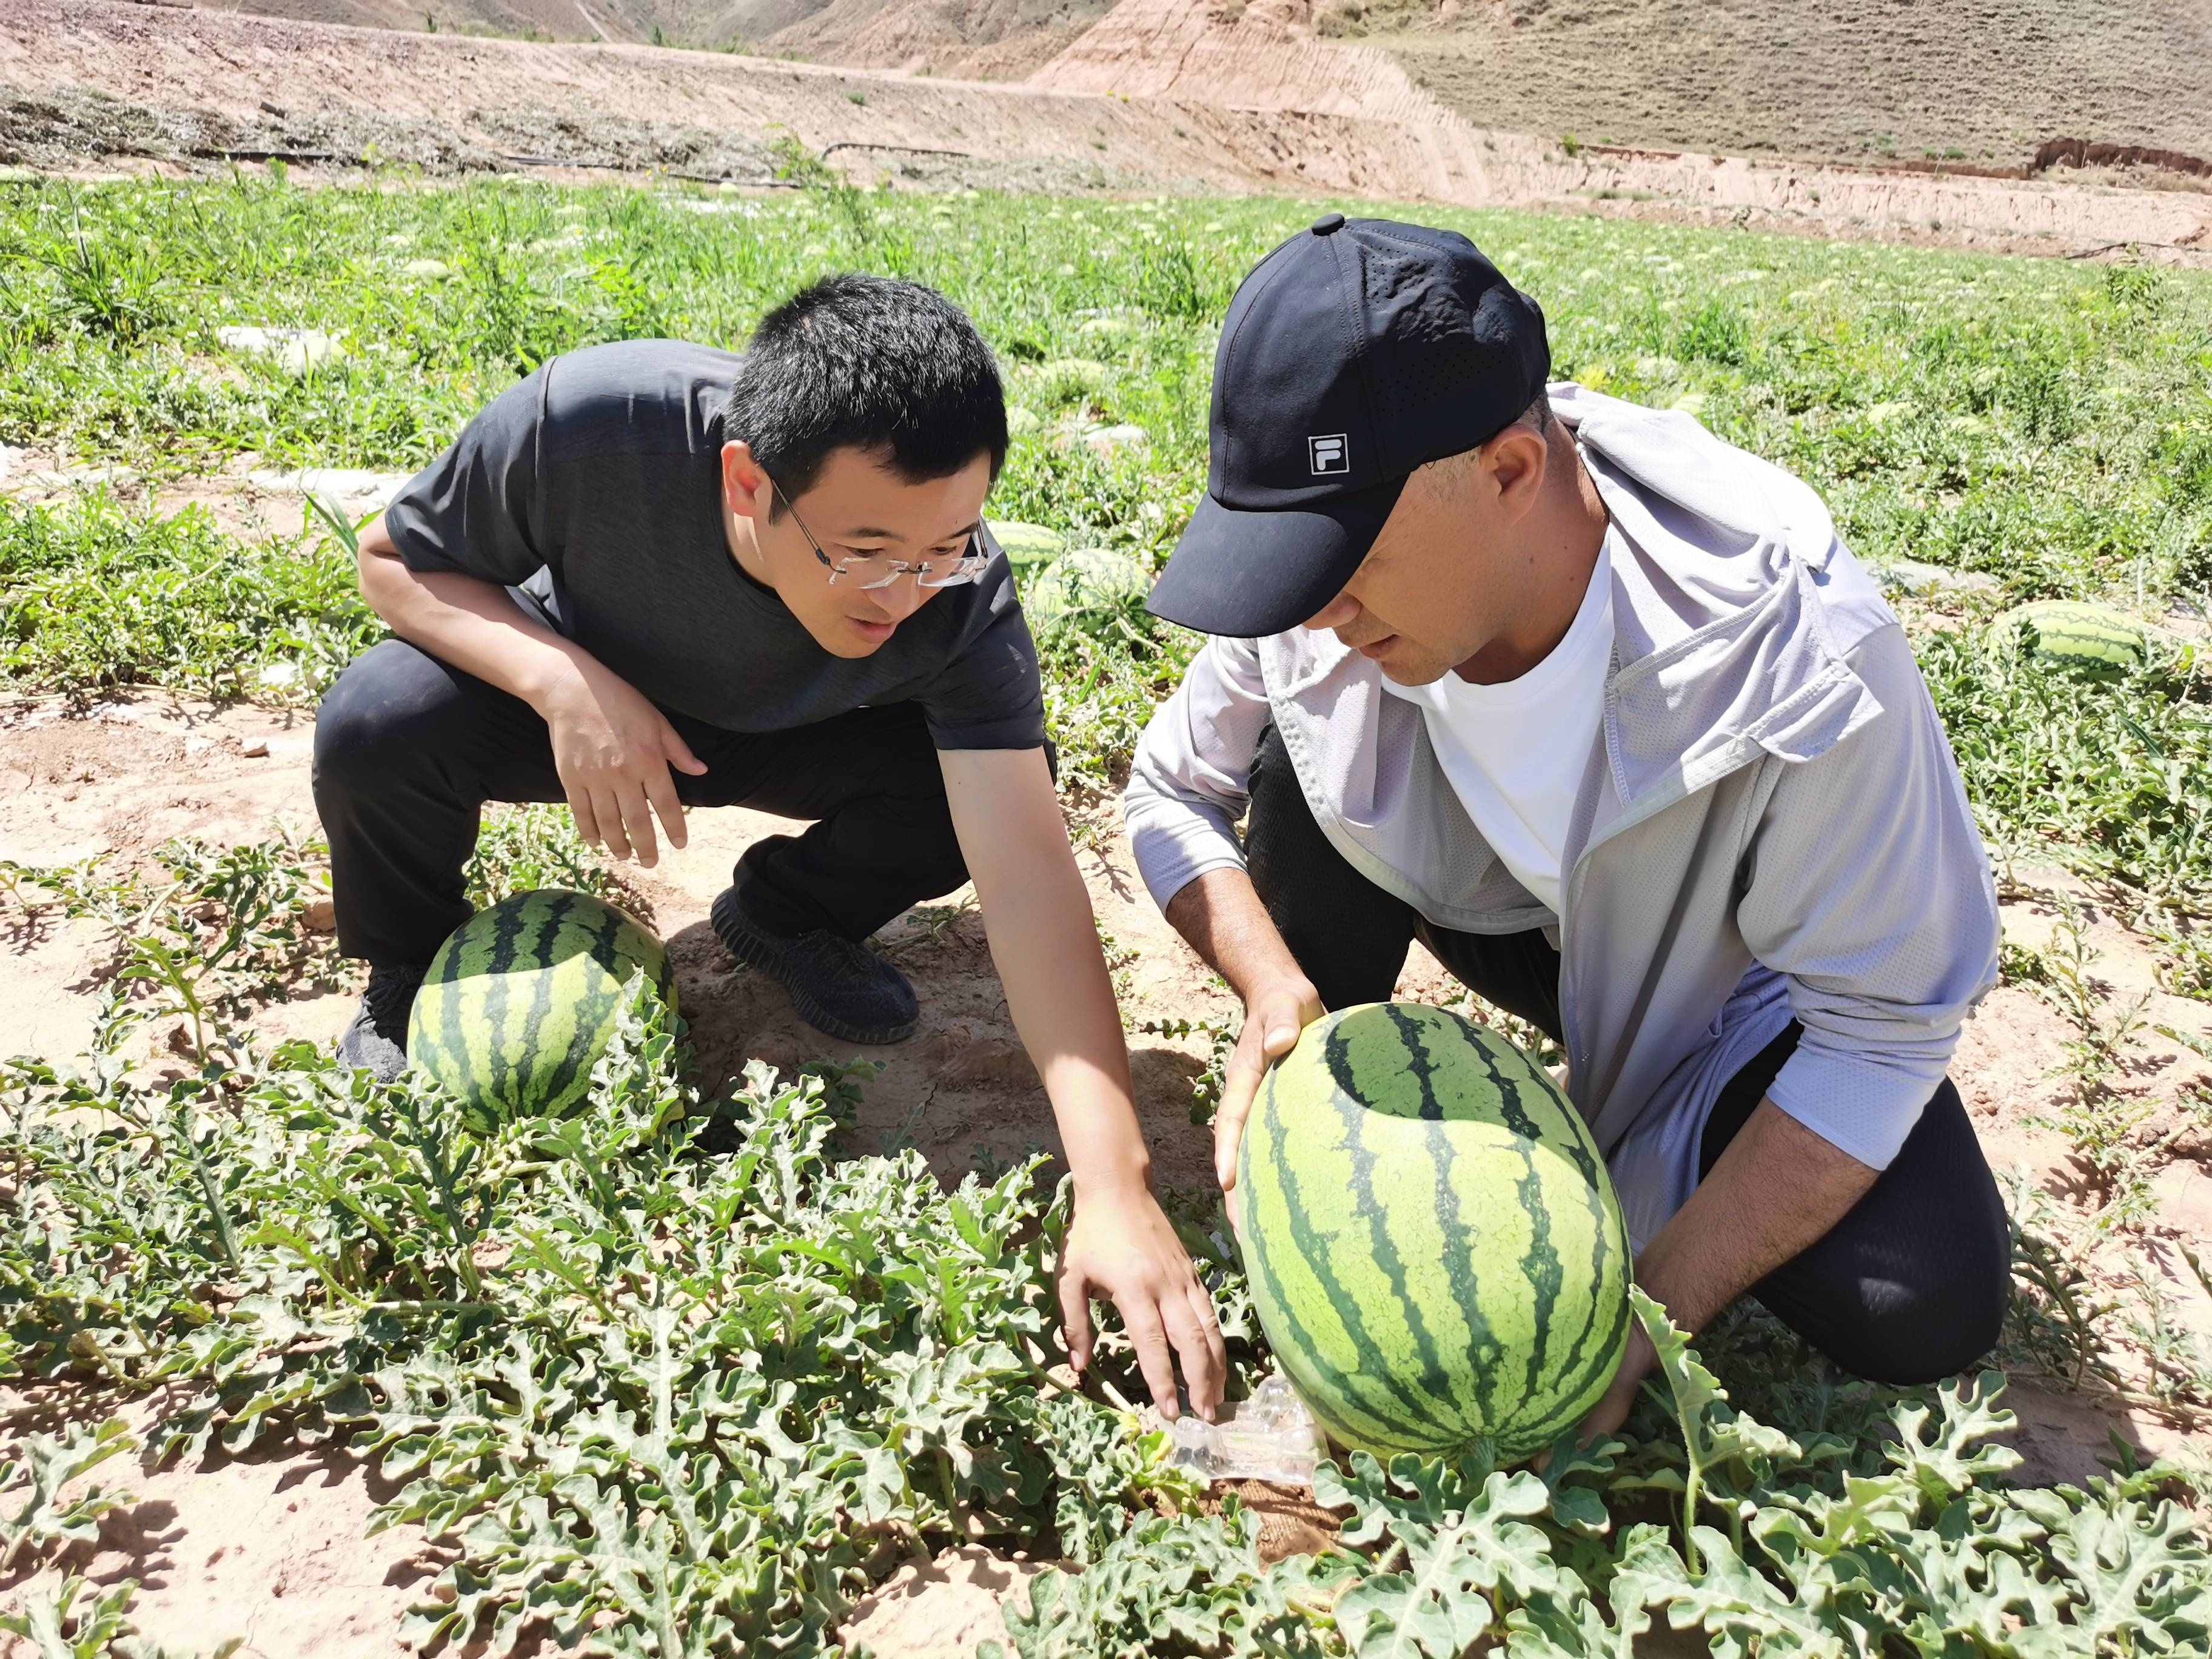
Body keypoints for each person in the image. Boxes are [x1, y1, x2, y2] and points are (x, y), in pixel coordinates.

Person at [1123, 215, 2007, 1439]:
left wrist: (1642, 1325)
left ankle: (1627, 1118)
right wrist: (1270, 985)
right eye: (1289, 559)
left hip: (1709, 972)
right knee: (1296, 747)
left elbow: (1883, 1034)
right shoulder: (1326, 576)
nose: (1314, 606)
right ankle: (1344, 1077)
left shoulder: (1796, 644)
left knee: (1924, 1295)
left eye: (1343, 557)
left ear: (1508, 474)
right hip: (1482, 895)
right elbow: (1168, 796)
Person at [313, 274, 1225, 1420]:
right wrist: (565, 681)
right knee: (377, 724)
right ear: (748, 480)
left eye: (946, 545)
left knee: (972, 800)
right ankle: (407, 967)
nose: (907, 591)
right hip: (601, 720)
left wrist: (1115, 1182)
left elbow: (1034, 880)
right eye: (869, 549)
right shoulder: (595, 423)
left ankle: (790, 912)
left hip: (799, 734)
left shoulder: (960, 601)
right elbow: (391, 557)